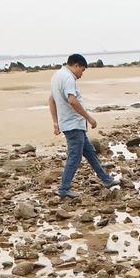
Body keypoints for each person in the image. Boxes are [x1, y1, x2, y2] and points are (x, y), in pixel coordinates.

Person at [48, 53, 118, 200]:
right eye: (82, 70)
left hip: (70, 124)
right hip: (73, 125)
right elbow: (72, 101)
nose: (81, 74)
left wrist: (55, 122)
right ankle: (64, 189)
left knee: (90, 152)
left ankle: (106, 180)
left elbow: (51, 99)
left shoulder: (56, 76)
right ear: (76, 65)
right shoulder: (68, 78)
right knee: (74, 157)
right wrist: (89, 118)